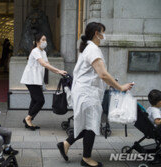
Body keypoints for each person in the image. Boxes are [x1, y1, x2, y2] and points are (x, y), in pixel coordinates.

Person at [56, 22, 134, 167]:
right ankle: (86, 158)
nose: (104, 35)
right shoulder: (93, 49)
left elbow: (99, 75)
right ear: (97, 33)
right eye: (103, 32)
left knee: (86, 124)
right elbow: (103, 74)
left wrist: (113, 84)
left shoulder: (88, 49)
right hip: (88, 94)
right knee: (91, 125)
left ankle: (65, 144)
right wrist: (120, 87)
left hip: (85, 92)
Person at [20, 33, 67, 130]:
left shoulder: (43, 52)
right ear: (37, 42)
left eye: (45, 40)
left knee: (35, 100)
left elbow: (48, 64)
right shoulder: (35, 51)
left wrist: (59, 72)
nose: (45, 42)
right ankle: (28, 118)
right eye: (43, 40)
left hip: (36, 80)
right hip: (30, 79)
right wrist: (59, 71)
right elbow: (43, 64)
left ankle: (28, 120)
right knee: (40, 100)